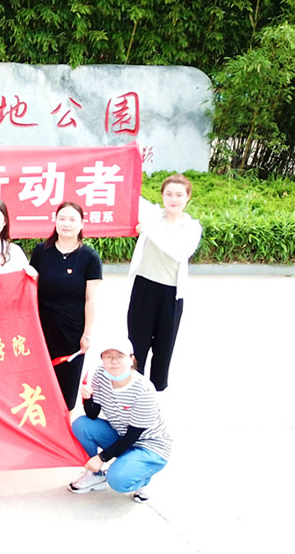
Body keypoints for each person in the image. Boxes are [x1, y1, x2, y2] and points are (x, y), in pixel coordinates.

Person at [68, 338, 172, 503]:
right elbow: (92, 414)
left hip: (149, 445)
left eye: (119, 356)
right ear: (102, 359)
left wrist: (101, 458)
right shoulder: (101, 375)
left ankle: (143, 477)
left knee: (117, 480)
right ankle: (95, 476)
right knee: (81, 425)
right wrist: (87, 398)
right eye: (108, 356)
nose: (114, 361)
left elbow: (133, 435)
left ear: (131, 359)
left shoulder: (143, 390)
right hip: (122, 434)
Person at [126, 174, 202, 391]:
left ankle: (156, 393)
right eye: (168, 194)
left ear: (188, 197)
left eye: (179, 195)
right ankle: (134, 391)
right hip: (144, 287)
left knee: (163, 348)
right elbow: (129, 193)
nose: (173, 199)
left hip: (171, 294)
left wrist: (148, 230)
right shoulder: (152, 216)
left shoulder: (192, 227)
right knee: (136, 345)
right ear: (162, 195)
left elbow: (179, 252)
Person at [29, 201, 102, 411]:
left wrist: (87, 334)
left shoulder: (89, 257)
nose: (66, 224)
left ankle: (65, 424)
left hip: (72, 329)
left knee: (66, 388)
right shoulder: (41, 251)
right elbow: (31, 287)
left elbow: (91, 299)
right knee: (39, 385)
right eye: (62, 219)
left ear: (82, 224)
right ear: (55, 221)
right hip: (42, 327)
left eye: (72, 219)